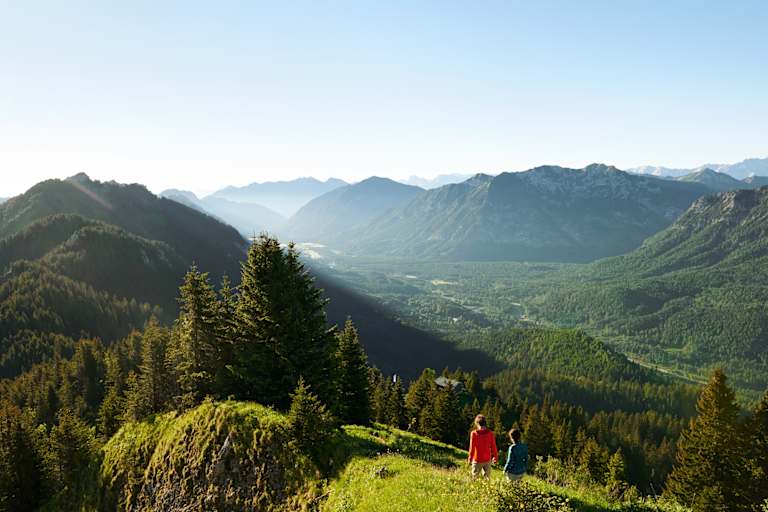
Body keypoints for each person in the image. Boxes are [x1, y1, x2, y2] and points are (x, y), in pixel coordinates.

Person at [468, 414, 498, 479]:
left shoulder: (474, 433)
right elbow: (494, 447)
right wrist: (495, 457)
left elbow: (472, 448)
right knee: (486, 479)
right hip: (487, 459)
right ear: (485, 423)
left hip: (477, 459)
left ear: (477, 423)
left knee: (474, 478)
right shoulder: (490, 433)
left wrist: (470, 458)